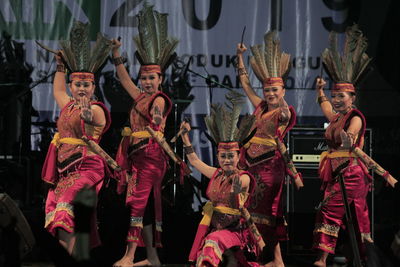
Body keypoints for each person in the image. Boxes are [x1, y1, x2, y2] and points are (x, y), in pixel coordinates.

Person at [111, 3, 179, 267]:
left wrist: (157, 126)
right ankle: (151, 258)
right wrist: (117, 53)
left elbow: (158, 125)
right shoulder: (139, 96)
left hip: (151, 157)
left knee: (139, 204)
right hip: (136, 156)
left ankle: (130, 256)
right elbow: (124, 78)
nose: (147, 82)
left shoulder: (159, 101)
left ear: (160, 79)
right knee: (143, 206)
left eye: (152, 78)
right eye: (145, 78)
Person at [41, 21, 113, 254]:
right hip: (65, 171)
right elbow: (57, 91)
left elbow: (94, 118)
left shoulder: (97, 108)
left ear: (93, 87)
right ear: (72, 86)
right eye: (78, 84)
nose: (82, 89)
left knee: (65, 205)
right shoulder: (67, 104)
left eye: (86, 85)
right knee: (55, 211)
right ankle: (76, 256)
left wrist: (86, 114)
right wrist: (60, 66)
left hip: (88, 168)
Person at [312, 25, 374, 267]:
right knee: (343, 217)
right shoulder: (336, 116)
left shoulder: (354, 117)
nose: (336, 100)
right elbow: (325, 107)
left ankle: (327, 258)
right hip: (336, 172)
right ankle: (352, 258)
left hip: (351, 172)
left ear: (352, 98)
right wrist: (319, 91)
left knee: (342, 215)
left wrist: (349, 140)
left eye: (341, 97)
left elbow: (351, 136)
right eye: (335, 96)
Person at [236, 31, 297, 267]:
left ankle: (266, 259)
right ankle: (275, 261)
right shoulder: (260, 107)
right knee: (254, 211)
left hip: (271, 168)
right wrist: (240, 57)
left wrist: (281, 98)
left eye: (275, 91)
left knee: (267, 213)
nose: (270, 94)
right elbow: (245, 83)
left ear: (283, 91)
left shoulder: (284, 112)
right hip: (251, 166)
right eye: (267, 90)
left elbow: (285, 113)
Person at [181, 91, 260, 266]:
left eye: (231, 156)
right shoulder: (216, 174)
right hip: (216, 228)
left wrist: (236, 192)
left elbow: (239, 195)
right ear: (218, 157)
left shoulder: (244, 177)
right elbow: (193, 160)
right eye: (223, 156)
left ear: (238, 156)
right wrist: (185, 137)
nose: (227, 160)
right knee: (212, 249)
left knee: (211, 245)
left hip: (235, 230)